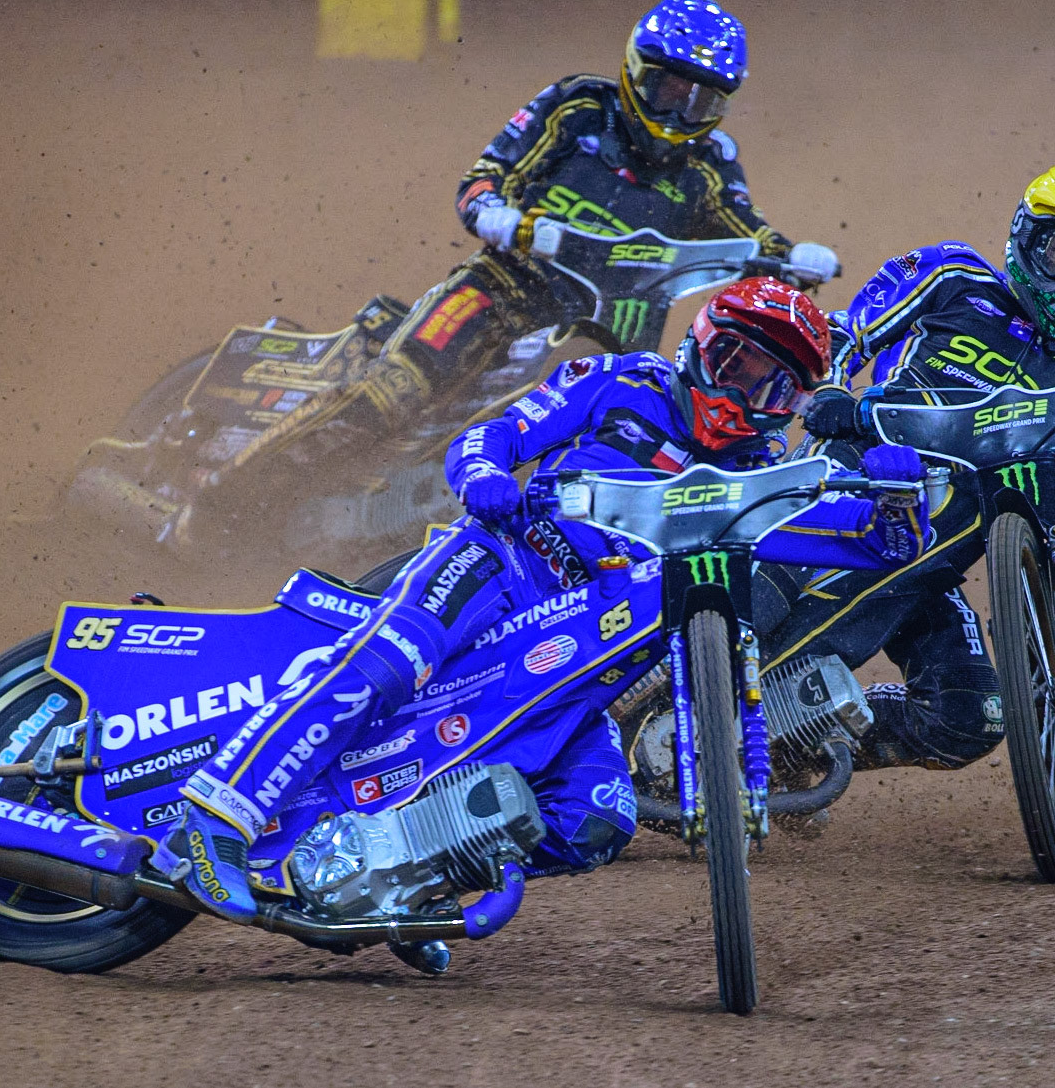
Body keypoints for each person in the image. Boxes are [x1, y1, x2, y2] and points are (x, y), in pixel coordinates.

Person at [159, 279, 928, 968]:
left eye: (770, 385)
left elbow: (880, 544)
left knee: (596, 818)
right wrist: (484, 475)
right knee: (389, 660)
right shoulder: (623, 380)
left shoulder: (762, 478)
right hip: (503, 565)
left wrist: (898, 492)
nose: (743, 393)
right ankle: (214, 816)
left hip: (581, 663)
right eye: (735, 363)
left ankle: (400, 877)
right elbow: (492, 436)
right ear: (701, 344)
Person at [756, 161, 1055, 771]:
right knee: (763, 599)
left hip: (934, 563)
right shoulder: (951, 276)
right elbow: (840, 335)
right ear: (1025, 237)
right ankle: (669, 688)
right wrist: (834, 394)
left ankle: (786, 758)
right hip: (861, 476)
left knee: (972, 717)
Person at [266, 0, 841, 452]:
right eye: (668, 90)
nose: (678, 113)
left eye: (700, 102)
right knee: (399, 387)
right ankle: (255, 482)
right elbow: (484, 179)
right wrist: (496, 216)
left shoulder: (710, 162)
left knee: (622, 440)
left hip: (614, 332)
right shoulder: (579, 106)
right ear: (636, 71)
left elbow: (748, 233)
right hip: (507, 286)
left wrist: (792, 259)